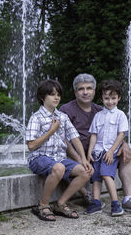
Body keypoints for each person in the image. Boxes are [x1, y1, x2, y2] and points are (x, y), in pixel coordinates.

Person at [60, 73, 131, 214]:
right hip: (76, 153)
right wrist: (81, 159)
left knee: (126, 155)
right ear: (75, 91)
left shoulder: (101, 110)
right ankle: (88, 196)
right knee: (83, 168)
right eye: (81, 89)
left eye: (89, 88)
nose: (85, 92)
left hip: (100, 151)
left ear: (95, 91)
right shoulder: (66, 110)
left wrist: (124, 145)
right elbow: (63, 140)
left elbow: (116, 133)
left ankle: (128, 198)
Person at [26, 79, 93, 221]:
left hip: (59, 159)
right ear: (42, 97)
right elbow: (31, 146)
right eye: (52, 94)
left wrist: (83, 159)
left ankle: (60, 204)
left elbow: (75, 138)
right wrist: (51, 131)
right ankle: (43, 205)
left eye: (58, 94)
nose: (56, 97)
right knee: (59, 168)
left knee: (86, 171)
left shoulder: (62, 116)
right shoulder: (36, 118)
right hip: (39, 157)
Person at [84, 80, 128, 216]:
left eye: (113, 98)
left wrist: (111, 151)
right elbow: (93, 135)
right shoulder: (98, 116)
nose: (110, 101)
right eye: (106, 98)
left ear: (119, 98)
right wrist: (89, 152)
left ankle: (116, 204)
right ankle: (96, 203)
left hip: (111, 152)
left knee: (106, 174)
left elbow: (121, 135)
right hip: (97, 152)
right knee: (96, 178)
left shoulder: (120, 115)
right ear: (102, 98)